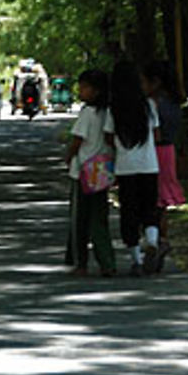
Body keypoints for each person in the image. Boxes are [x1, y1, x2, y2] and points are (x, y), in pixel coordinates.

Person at [103, 61, 161, 276]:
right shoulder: (149, 106)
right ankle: (153, 241)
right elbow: (156, 134)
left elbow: (108, 137)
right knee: (149, 207)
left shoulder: (113, 110)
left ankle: (136, 260)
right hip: (149, 165)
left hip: (125, 167)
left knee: (129, 212)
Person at [63, 69, 116, 277]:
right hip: (102, 170)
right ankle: (107, 262)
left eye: (85, 87)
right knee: (99, 219)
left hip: (83, 171)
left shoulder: (88, 113)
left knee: (80, 220)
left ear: (96, 91)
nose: (81, 91)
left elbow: (77, 140)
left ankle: (81, 263)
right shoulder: (109, 112)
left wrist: (68, 157)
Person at [143, 60, 185, 267]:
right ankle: (162, 239)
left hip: (154, 152)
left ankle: (156, 240)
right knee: (161, 202)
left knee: (152, 199)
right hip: (169, 152)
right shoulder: (175, 101)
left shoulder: (154, 104)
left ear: (155, 82)